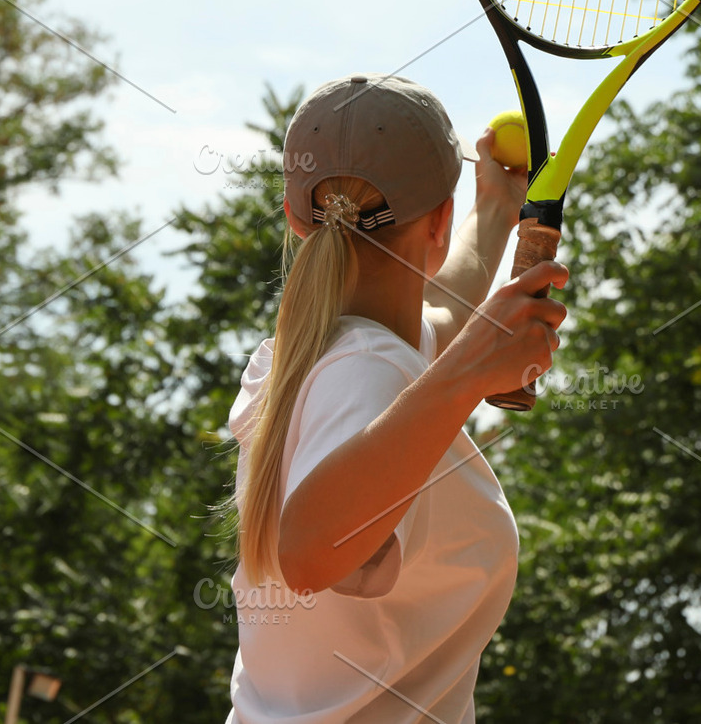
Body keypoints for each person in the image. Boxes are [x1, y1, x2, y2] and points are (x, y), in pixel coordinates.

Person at [224, 74, 568, 723]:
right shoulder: (374, 372)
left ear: (297, 218)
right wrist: (466, 375)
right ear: (438, 220)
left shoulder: (307, 356)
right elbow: (310, 550)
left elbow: (439, 308)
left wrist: (496, 209)